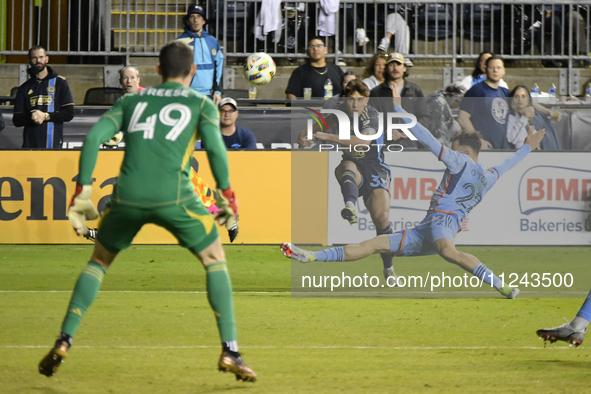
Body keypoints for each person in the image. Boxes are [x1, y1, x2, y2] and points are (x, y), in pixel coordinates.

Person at [37, 41, 256, 382]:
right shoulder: (200, 103)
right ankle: (231, 350)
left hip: (128, 198)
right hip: (175, 197)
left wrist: (82, 191)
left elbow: (94, 137)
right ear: (193, 71)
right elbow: (215, 150)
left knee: (98, 262)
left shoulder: (133, 100)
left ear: (157, 70)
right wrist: (228, 196)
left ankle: (64, 340)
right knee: (215, 259)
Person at [282, 87, 546, 299]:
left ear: (465, 151)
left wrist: (399, 109)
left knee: (449, 252)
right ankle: (311, 256)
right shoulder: (488, 177)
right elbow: (508, 164)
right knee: (374, 244)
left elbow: (428, 139)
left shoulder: (459, 160)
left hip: (441, 224)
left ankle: (502, 286)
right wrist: (526, 149)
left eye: (453, 146)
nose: (450, 150)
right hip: (428, 228)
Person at [298, 80, 396, 281]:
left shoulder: (372, 115)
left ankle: (389, 268)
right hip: (353, 164)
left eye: (360, 100)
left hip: (375, 169)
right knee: (347, 166)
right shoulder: (339, 113)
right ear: (345, 99)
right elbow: (311, 130)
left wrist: (328, 137)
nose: (355, 105)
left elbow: (363, 141)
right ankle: (350, 206)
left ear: (366, 100)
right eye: (351, 100)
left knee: (382, 220)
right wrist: (304, 137)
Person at [12, 45, 74, 149]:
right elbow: (17, 120)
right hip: (30, 144)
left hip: (53, 143)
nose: (38, 60)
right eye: (34, 58)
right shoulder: (24, 87)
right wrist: (32, 117)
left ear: (47, 59)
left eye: (41, 57)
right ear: (29, 60)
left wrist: (45, 116)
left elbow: (69, 113)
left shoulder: (60, 83)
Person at [369, 52, 427, 148]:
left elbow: (424, 117)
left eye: (399, 64)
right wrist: (386, 130)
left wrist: (411, 130)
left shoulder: (415, 91)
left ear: (404, 68)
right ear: (387, 68)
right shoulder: (376, 93)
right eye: (391, 64)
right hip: (385, 145)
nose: (395, 68)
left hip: (410, 145)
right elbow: (371, 118)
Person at [457, 55, 510, 150]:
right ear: (486, 69)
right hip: (484, 149)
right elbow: (462, 118)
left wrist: (546, 111)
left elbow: (525, 101)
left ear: (503, 71)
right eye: (491, 68)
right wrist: (479, 140)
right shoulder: (476, 91)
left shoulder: (505, 92)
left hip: (502, 149)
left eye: (498, 68)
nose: (495, 71)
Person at [176, 4, 224, 105]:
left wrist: (217, 91)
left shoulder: (212, 41)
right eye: (192, 17)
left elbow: (219, 67)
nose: (195, 20)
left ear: (204, 21)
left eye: (199, 17)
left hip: (208, 96)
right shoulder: (179, 43)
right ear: (188, 21)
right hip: (187, 95)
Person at [507, 85, 561, 150]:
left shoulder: (537, 116)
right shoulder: (511, 117)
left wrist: (550, 112)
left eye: (523, 96)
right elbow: (512, 139)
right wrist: (523, 118)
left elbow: (549, 138)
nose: (520, 99)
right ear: (512, 100)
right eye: (516, 96)